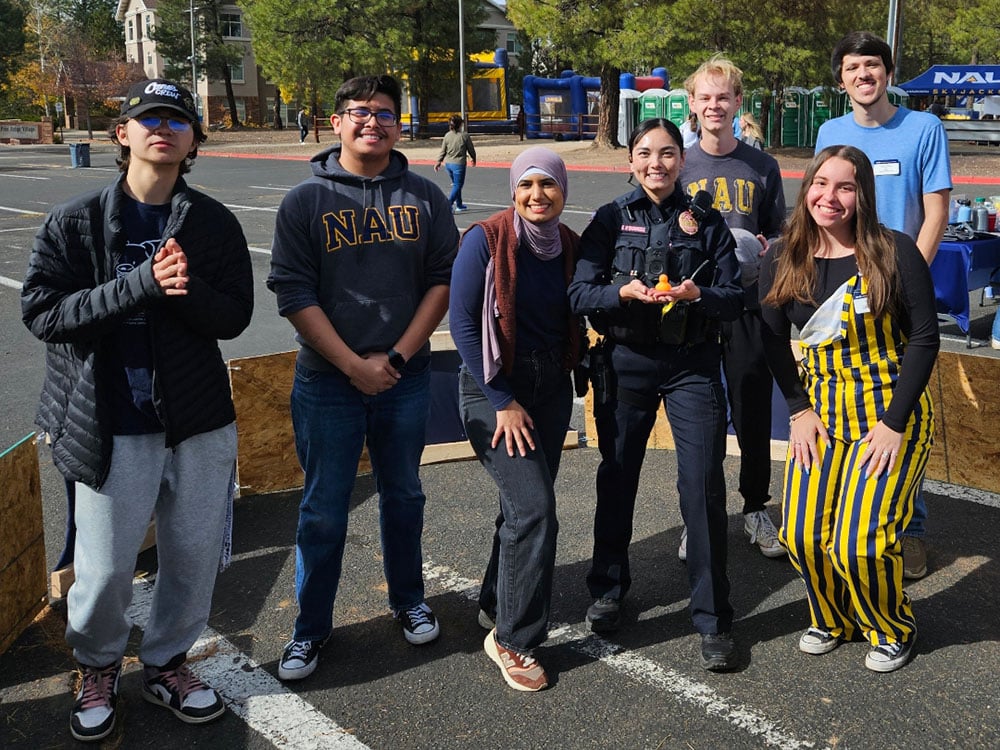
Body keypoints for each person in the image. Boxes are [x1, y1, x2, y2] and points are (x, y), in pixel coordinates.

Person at [21, 78, 253, 742]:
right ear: (121, 134)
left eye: (178, 120)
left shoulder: (212, 222)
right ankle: (95, 667)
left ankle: (167, 665)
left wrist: (182, 293)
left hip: (198, 419)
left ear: (192, 142)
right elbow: (43, 313)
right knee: (104, 568)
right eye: (148, 118)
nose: (164, 128)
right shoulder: (75, 222)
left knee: (191, 553)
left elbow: (234, 317)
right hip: (111, 422)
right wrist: (139, 285)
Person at [267, 74, 459, 682]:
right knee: (323, 509)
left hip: (406, 375)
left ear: (399, 123)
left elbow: (441, 283)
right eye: (358, 112)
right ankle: (310, 630)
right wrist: (353, 365)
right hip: (328, 381)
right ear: (335, 122)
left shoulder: (425, 198)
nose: (371, 121)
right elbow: (292, 292)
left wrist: (395, 360)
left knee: (403, 496)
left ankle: (407, 600)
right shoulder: (305, 201)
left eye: (383, 112)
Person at [568, 118, 744, 672]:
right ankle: (608, 588)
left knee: (702, 486)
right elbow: (578, 291)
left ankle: (713, 618)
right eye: (645, 153)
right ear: (631, 160)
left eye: (668, 154)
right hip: (626, 362)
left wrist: (699, 294)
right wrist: (620, 292)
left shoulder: (705, 221)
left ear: (681, 161)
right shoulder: (609, 219)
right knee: (618, 474)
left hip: (692, 365)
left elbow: (736, 295)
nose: (657, 164)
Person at [759, 145, 940, 673]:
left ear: (863, 194)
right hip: (821, 415)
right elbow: (771, 338)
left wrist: (894, 424)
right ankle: (833, 617)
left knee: (861, 541)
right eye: (821, 184)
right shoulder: (783, 254)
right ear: (807, 188)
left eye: (845, 186)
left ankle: (890, 626)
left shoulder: (894, 250)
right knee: (803, 533)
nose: (829, 197)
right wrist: (797, 410)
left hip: (887, 414)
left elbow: (925, 340)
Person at [815, 31, 952, 580]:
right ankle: (849, 518)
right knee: (845, 404)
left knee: (901, 408)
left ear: (888, 73)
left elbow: (936, 210)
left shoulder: (923, 128)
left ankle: (909, 530)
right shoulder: (831, 131)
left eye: (872, 65)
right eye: (852, 66)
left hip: (896, 289)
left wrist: (902, 279)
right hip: (840, 293)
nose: (862, 74)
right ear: (842, 77)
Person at [450, 147, 582, 692]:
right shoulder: (485, 240)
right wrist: (502, 400)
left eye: (548, 185)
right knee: (535, 508)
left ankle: (494, 602)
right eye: (527, 185)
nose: (537, 195)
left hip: (550, 388)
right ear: (512, 190)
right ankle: (515, 639)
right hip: (494, 388)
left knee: (521, 507)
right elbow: (461, 324)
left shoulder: (570, 246)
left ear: (562, 191)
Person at [680, 56, 787, 560]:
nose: (714, 105)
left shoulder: (762, 165)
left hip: (748, 304)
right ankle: (697, 516)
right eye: (705, 97)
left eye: (723, 97)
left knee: (751, 408)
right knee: (699, 415)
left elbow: (783, 237)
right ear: (693, 104)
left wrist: (771, 250)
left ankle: (755, 506)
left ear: (738, 102)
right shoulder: (677, 164)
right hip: (696, 306)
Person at [434, 114, 477, 213]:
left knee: (455, 184)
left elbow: (443, 151)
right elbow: (471, 149)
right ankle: (448, 204)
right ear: (460, 124)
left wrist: (438, 162)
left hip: (448, 164)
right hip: (459, 164)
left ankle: (459, 204)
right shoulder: (464, 136)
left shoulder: (447, 135)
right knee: (458, 185)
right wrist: (473, 158)